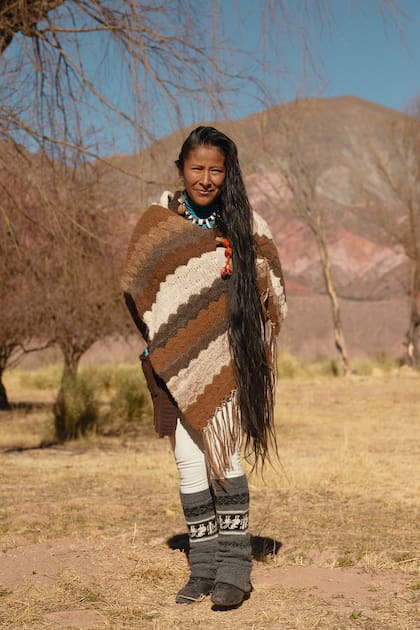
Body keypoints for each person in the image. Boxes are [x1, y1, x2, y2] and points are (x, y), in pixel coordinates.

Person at [121, 126, 287, 609]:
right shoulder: (158, 226)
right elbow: (136, 285)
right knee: (188, 462)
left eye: (217, 169)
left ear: (227, 172)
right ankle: (203, 567)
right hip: (172, 363)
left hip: (233, 364)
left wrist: (248, 280)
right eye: (198, 168)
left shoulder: (246, 224)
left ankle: (236, 567)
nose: (207, 178)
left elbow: (271, 283)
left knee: (225, 458)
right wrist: (162, 341)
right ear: (181, 170)